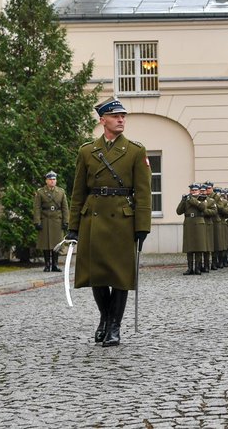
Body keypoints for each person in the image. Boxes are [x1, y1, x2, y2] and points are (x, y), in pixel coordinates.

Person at [66, 98, 151, 347]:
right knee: (97, 275)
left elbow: (144, 192)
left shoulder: (135, 151)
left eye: (123, 116)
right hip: (93, 219)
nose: (121, 120)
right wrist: (73, 227)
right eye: (115, 116)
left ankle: (114, 327)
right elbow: (78, 193)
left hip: (122, 220)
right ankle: (105, 318)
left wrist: (142, 226)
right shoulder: (87, 151)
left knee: (120, 276)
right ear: (103, 120)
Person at [34, 170, 68, 272]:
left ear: (56, 180)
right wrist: (37, 221)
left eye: (54, 179)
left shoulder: (61, 192)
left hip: (57, 220)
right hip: (45, 220)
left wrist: (66, 221)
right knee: (45, 243)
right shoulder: (40, 192)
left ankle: (55, 265)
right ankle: (47, 265)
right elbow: (37, 208)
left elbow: (65, 208)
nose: (52, 181)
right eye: (50, 179)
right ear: (46, 181)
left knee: (57, 243)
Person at [177, 183, 209, 275]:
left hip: (199, 224)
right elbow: (179, 211)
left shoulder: (202, 198)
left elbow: (203, 207)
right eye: (192, 190)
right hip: (189, 223)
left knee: (199, 246)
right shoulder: (187, 199)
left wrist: (192, 200)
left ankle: (197, 268)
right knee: (189, 247)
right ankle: (190, 268)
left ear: (199, 191)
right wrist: (183, 201)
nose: (193, 191)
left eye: (195, 190)